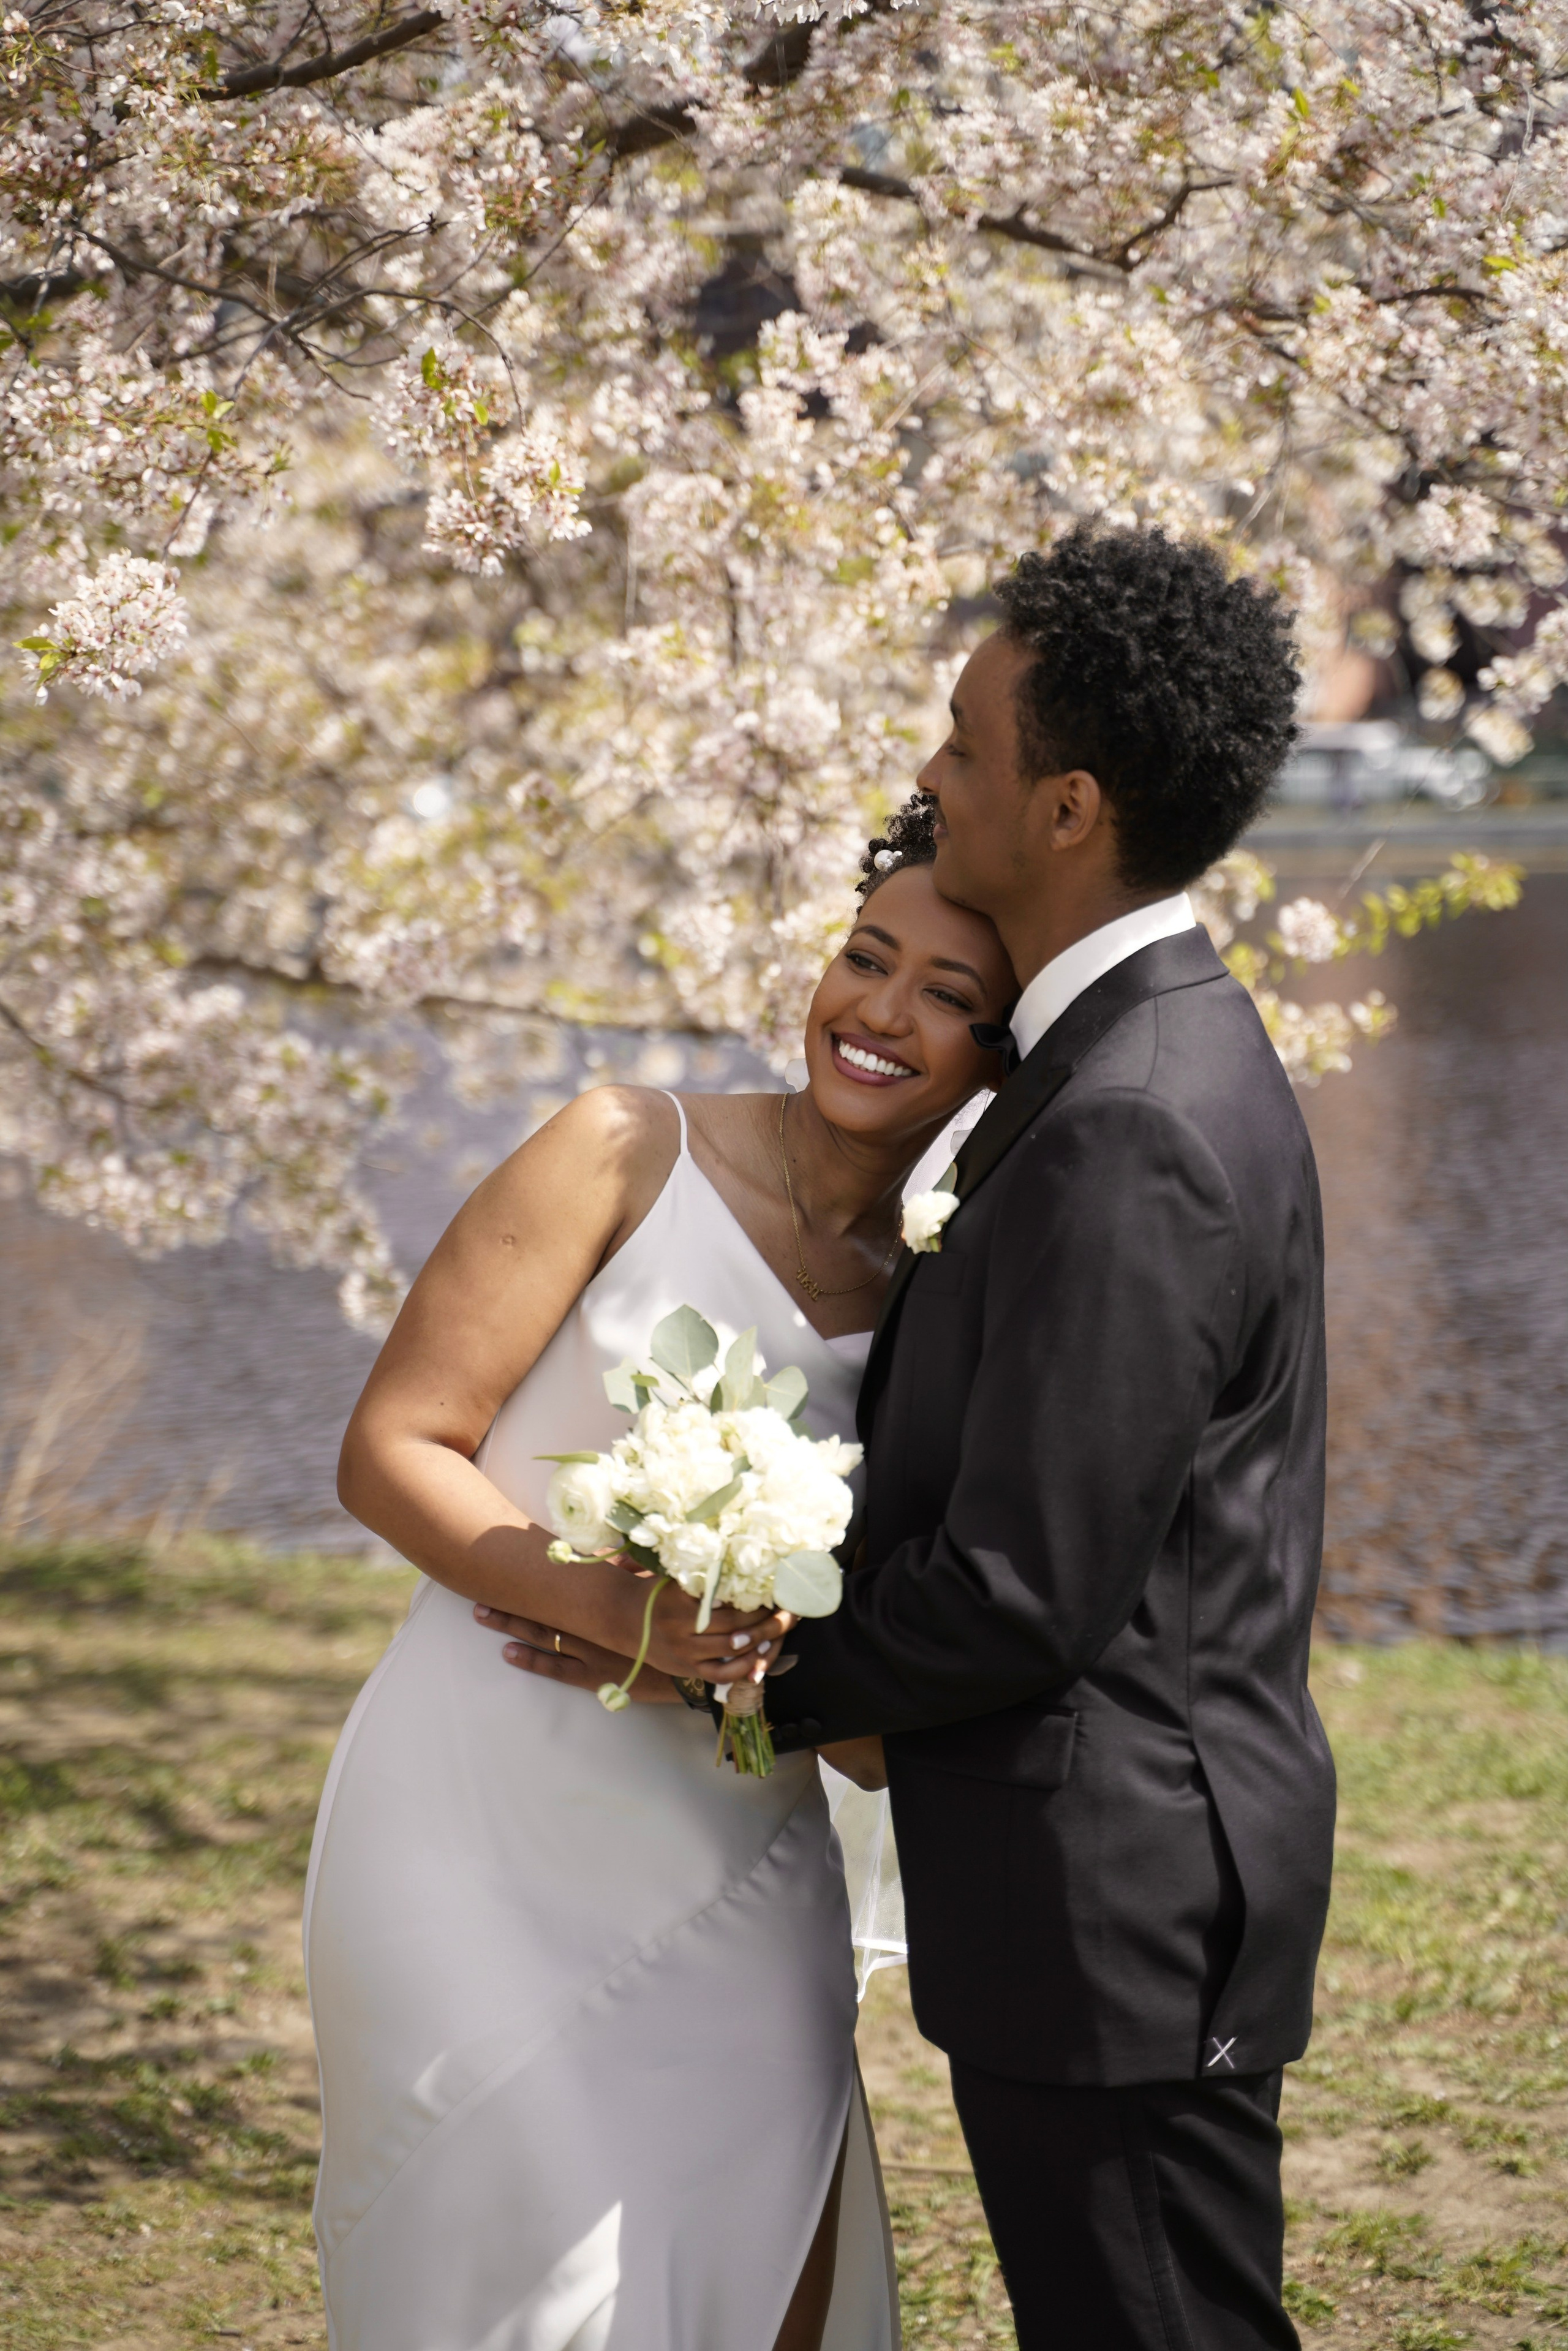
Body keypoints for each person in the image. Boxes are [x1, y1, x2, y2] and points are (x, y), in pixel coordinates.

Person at [505, 523, 1335, 2350]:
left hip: (1114, 1896)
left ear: (1067, 806)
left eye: (966, 741)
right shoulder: (1120, 1056)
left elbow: (1024, 1586)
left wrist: (726, 1668)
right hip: (1099, 1885)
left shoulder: (1131, 1114)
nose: (932, 769)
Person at [305, 852, 1016, 2350]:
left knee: (761, 2259)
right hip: (473, 1818)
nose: (876, 1011)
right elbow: (389, 1449)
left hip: (733, 1849)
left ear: (1000, 1053)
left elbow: (880, 1664)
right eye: (863, 954)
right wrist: (614, 1603)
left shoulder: (935, 1301)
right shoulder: (621, 1145)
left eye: (946, 994)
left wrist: (768, 1657)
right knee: (522, 2284)